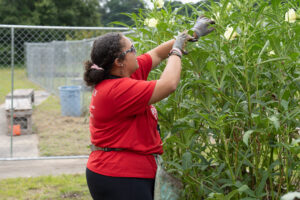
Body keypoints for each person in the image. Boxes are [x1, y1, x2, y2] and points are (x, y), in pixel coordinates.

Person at [83, 16, 215, 200]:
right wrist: (176, 51)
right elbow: (169, 84)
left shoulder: (123, 74)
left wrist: (188, 36)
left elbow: (157, 54)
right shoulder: (116, 90)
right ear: (119, 61)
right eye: (132, 49)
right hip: (119, 176)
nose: (136, 52)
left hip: (122, 173)